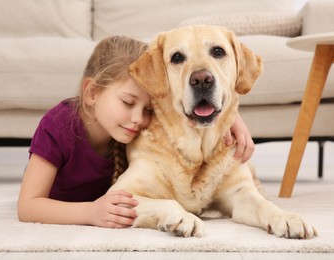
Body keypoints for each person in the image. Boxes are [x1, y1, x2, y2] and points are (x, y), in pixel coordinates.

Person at [17, 35, 254, 229]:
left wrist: (231, 118)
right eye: (128, 103)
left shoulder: (134, 126)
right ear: (91, 93)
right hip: (67, 206)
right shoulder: (57, 127)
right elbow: (28, 207)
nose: (138, 119)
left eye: (149, 109)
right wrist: (90, 212)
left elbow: (181, 101)